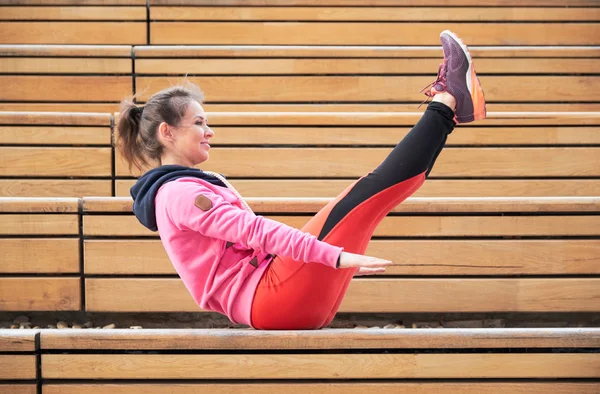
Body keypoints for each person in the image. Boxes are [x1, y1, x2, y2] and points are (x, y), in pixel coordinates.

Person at [118, 30, 486, 330]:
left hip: (276, 299)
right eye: (199, 123)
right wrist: (335, 256)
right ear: (167, 133)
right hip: (271, 299)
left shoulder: (185, 186)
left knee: (372, 201)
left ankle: (451, 108)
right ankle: (448, 99)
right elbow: (254, 231)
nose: (209, 131)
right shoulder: (180, 194)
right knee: (364, 198)